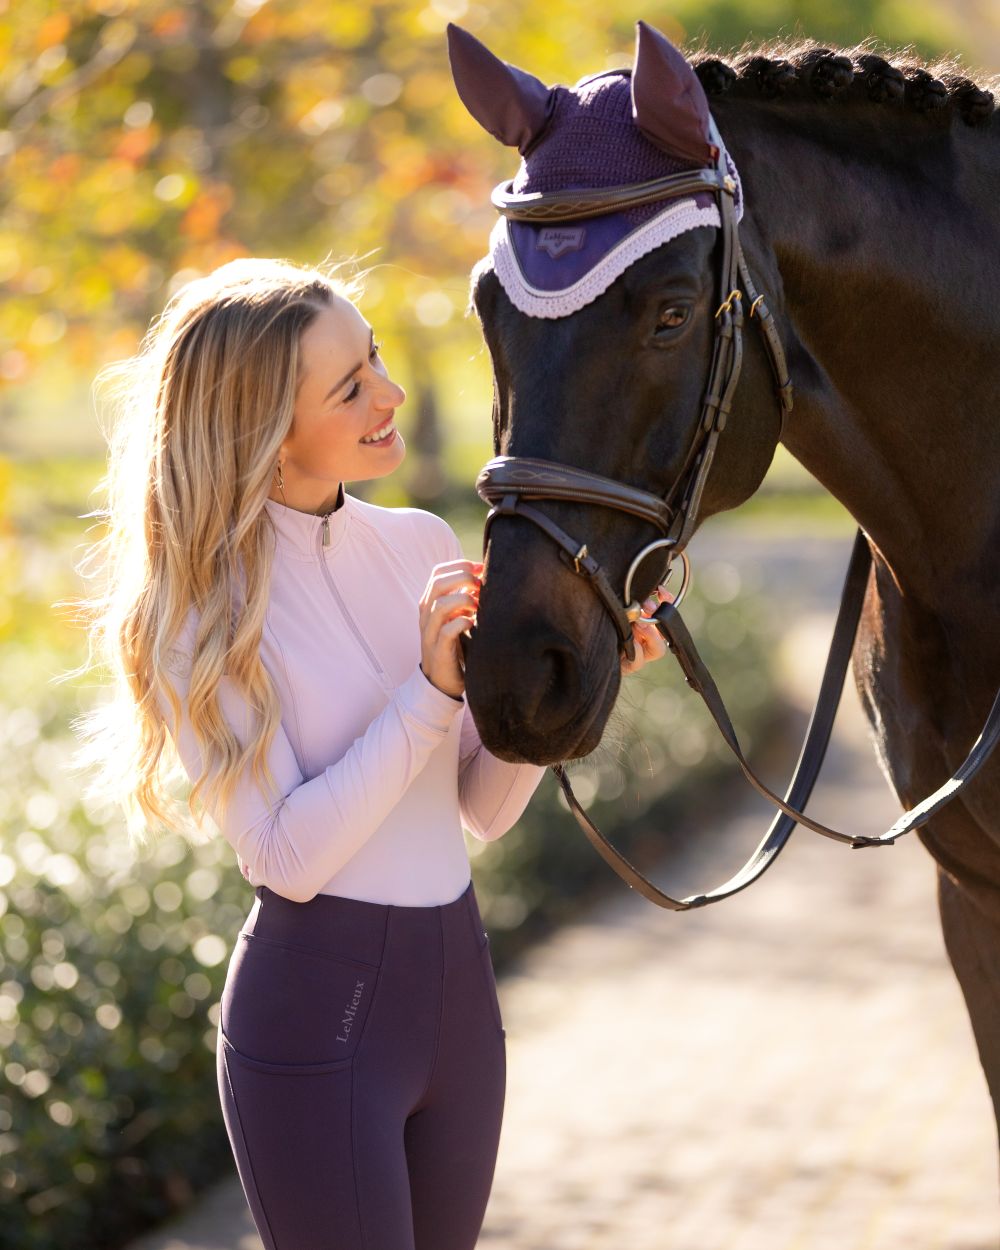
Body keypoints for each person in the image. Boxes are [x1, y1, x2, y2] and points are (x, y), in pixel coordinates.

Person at [81, 256, 667, 1250]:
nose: (389, 394)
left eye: (377, 360)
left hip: (458, 1002)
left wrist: (579, 681)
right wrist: (432, 690)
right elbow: (284, 855)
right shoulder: (199, 613)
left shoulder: (418, 544)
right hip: (320, 1019)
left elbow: (479, 804)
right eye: (348, 385)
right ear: (263, 426)